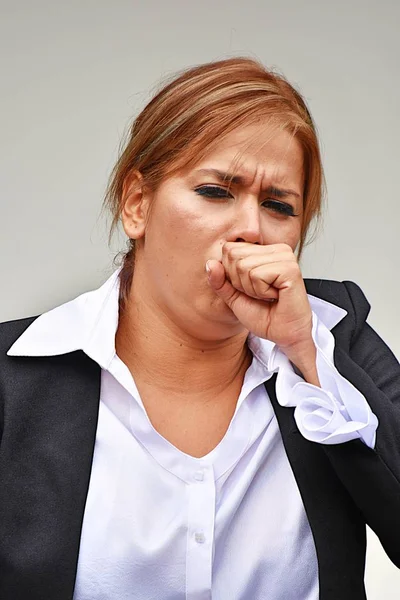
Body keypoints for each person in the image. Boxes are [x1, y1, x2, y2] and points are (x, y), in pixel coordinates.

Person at [0, 57, 399, 600]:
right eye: (216, 192)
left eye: (279, 205)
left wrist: (306, 357)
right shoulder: (13, 374)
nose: (250, 229)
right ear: (137, 204)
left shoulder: (333, 340)